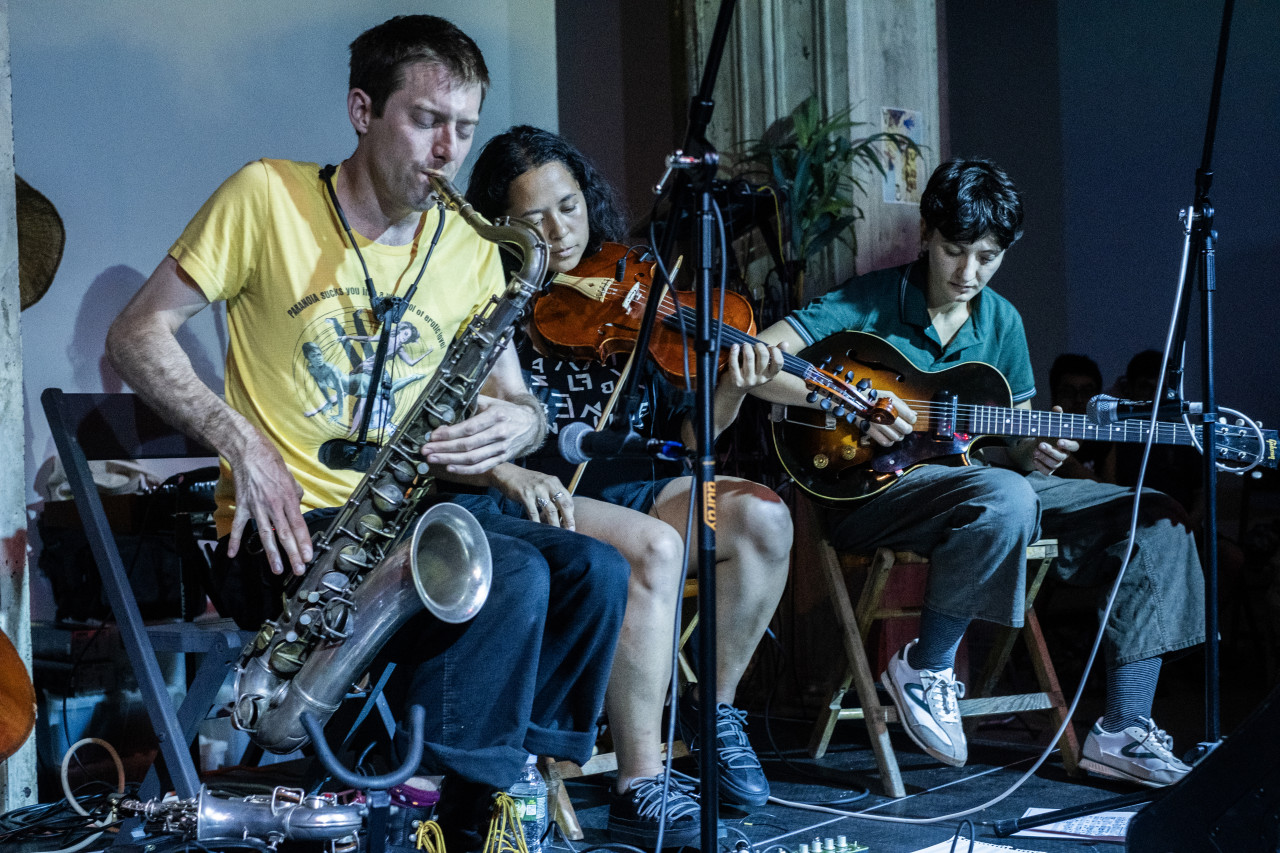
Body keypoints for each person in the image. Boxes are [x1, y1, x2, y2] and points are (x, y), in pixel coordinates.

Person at [104, 16, 627, 851]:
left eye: (464, 127)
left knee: (598, 570)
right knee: (517, 574)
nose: (448, 150)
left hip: (413, 521)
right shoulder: (266, 196)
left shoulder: (469, 241)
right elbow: (136, 335)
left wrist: (513, 425)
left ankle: (506, 779)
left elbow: (519, 404)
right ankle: (441, 813)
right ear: (362, 110)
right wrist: (243, 444)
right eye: (427, 121)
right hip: (281, 533)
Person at [747, 158, 1205, 788]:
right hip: (871, 493)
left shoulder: (1002, 322)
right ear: (927, 236)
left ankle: (1123, 728)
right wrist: (846, 401)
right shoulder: (867, 301)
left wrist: (1035, 449)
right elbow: (754, 364)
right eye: (955, 251)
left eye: (988, 257)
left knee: (1154, 515)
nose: (969, 273)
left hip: (979, 488)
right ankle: (926, 666)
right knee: (1004, 496)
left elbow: (1006, 442)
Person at [465, 126, 794, 844]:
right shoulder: (491, 303)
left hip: (658, 489)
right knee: (652, 548)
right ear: (500, 227)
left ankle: (717, 716)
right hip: (550, 499)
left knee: (762, 517)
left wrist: (732, 391)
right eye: (533, 219)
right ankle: (640, 786)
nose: (558, 230)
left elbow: (700, 445)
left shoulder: (641, 291)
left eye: (569, 205)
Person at [1048, 352, 1110, 480]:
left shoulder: (1106, 438)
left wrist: (1068, 463)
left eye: (1087, 391)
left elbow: (1111, 489)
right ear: (1054, 397)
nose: (1078, 399)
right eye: (1068, 392)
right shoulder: (1042, 435)